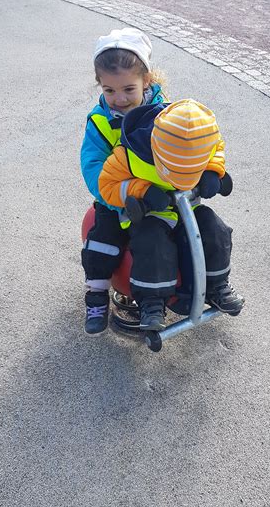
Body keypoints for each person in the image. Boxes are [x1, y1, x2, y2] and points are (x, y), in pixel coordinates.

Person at [93, 98, 245, 332]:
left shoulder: (201, 139)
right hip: (151, 212)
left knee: (215, 228)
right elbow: (107, 185)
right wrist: (142, 191)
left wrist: (213, 171)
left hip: (187, 208)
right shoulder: (130, 154)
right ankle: (151, 303)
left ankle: (217, 285)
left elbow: (217, 149)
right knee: (152, 242)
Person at [80, 27, 167, 335]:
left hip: (159, 197)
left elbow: (185, 145)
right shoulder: (100, 121)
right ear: (100, 86)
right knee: (103, 240)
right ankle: (96, 295)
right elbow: (93, 167)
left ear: (147, 80)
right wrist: (122, 194)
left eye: (129, 89)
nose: (119, 99)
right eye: (109, 90)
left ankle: (171, 293)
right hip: (115, 197)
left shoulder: (165, 113)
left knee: (174, 237)